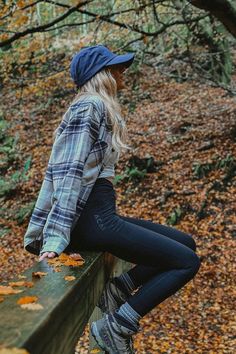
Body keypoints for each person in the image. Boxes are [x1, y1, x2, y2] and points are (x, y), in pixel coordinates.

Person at [24, 45, 201, 353]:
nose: (123, 71)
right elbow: (68, 175)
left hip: (102, 217)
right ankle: (117, 326)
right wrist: (53, 240)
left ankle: (118, 290)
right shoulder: (88, 107)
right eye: (116, 67)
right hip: (93, 221)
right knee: (186, 262)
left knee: (185, 244)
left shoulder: (97, 108)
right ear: (99, 75)